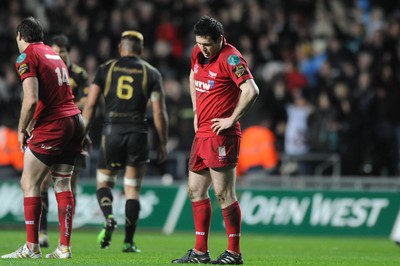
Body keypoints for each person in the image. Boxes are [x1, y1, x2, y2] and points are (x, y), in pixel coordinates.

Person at [171, 16, 259, 264]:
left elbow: (251, 90)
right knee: (195, 190)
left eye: (207, 44)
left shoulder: (231, 58)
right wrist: (197, 111)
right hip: (203, 134)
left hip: (222, 135)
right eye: (199, 43)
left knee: (224, 193)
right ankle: (200, 252)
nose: (202, 48)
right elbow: (192, 76)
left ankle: (234, 253)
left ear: (220, 39)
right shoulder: (196, 53)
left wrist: (231, 119)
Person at [1, 17, 84, 259]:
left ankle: (31, 247)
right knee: (62, 183)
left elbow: (31, 99)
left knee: (29, 183)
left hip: (54, 125)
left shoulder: (26, 56)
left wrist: (21, 128)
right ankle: (64, 248)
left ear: (20, 36)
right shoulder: (52, 53)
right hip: (74, 121)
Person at [81, 30, 168, 252]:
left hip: (111, 133)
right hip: (138, 134)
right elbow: (159, 113)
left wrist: (80, 135)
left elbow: (90, 106)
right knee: (132, 191)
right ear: (140, 50)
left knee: (104, 184)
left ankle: (109, 216)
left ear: (121, 48)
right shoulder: (152, 73)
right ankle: (128, 242)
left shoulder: (105, 69)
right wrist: (163, 143)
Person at [38, 34, 90, 248]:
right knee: (42, 183)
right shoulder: (47, 68)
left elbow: (89, 99)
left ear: (69, 53)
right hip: (52, 130)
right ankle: (42, 232)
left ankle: (65, 233)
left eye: (62, 52)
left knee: (69, 182)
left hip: (74, 131)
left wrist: (65, 104)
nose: (58, 55)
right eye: (56, 51)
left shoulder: (78, 73)